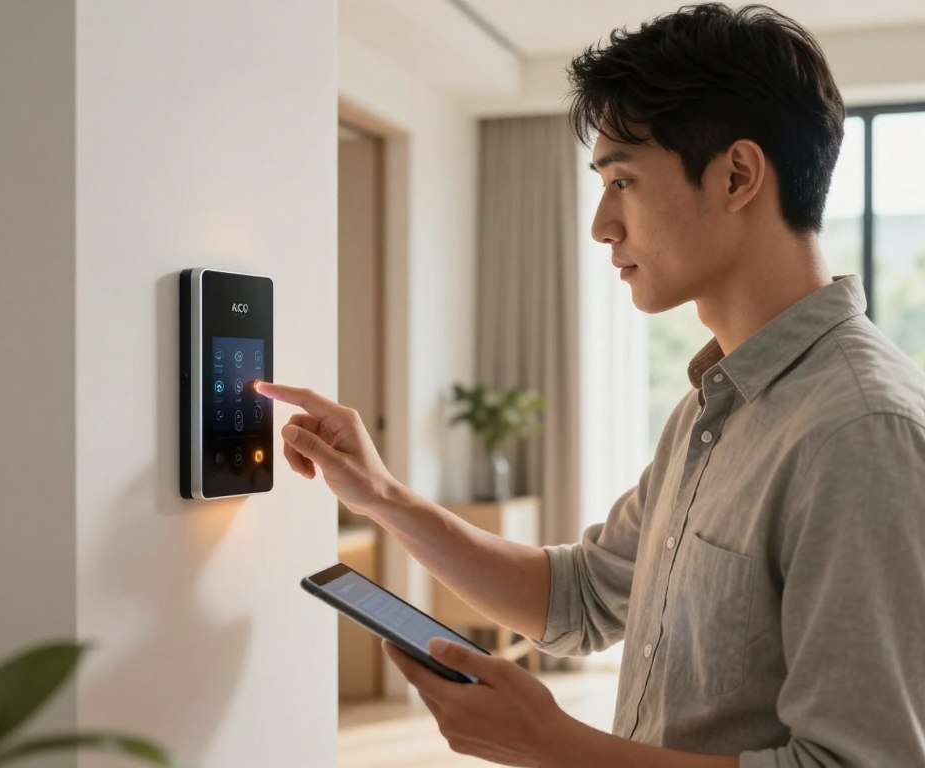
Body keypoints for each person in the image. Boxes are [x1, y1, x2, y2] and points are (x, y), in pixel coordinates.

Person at [257, 3, 925, 765]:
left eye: (623, 181)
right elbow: (577, 599)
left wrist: (551, 744)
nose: (603, 224)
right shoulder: (713, 406)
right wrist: (380, 497)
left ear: (738, 175)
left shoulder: (862, 431)